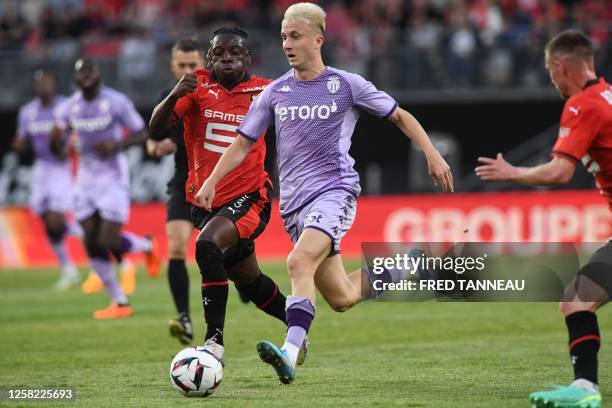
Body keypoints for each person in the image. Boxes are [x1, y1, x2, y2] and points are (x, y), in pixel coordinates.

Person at [196, 3, 453, 384]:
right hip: (295, 207)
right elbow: (242, 143)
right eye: (284, 36)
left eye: (295, 36)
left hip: (335, 192)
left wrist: (432, 154)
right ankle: (408, 268)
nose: (288, 43)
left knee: (298, 263)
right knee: (342, 297)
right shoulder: (275, 92)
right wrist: (212, 180)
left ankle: (289, 352)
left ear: (319, 39)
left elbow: (399, 115)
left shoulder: (346, 84)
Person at [150, 27, 307, 363]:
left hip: (251, 197)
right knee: (250, 282)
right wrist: (175, 93)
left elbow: (304, 120)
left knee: (206, 246)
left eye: (235, 52)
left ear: (248, 56)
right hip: (204, 202)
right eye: (219, 53)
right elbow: (156, 128)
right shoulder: (196, 87)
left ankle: (213, 343)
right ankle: (298, 329)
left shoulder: (267, 90)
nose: (228, 58)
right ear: (210, 58)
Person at [475, 30, 607, 408]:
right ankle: (584, 389)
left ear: (561, 66)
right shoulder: (608, 96)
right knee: (577, 299)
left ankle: (585, 389)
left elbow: (558, 173)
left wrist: (512, 172)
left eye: (551, 73)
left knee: (577, 300)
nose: (553, 81)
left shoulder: (583, 104)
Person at [52, 58, 161, 319]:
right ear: (76, 79)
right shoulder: (69, 107)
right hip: (85, 180)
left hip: (113, 177)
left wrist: (116, 145)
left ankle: (146, 245)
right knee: (90, 241)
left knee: (108, 240)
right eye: (81, 73)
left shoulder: (116, 102)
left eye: (90, 70)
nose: (86, 76)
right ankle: (120, 302)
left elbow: (142, 133)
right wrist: (59, 142)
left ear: (99, 74)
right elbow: (57, 143)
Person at [147, 37, 204, 344]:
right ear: (172, 65)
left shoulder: (215, 93)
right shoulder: (167, 97)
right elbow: (152, 137)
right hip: (184, 178)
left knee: (230, 256)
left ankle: (249, 286)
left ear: (203, 64)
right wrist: (156, 147)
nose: (187, 71)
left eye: (192, 65)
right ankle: (184, 318)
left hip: (218, 179)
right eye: (181, 65)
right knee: (177, 247)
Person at [13, 70, 81, 290]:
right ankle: (68, 269)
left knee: (56, 220)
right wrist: (19, 144)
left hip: (61, 167)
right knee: (46, 221)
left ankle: (91, 235)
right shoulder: (27, 112)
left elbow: (76, 133)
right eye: (40, 82)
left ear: (54, 83)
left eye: (47, 81)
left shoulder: (65, 106)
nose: (44, 86)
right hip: (41, 167)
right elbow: (22, 139)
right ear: (36, 86)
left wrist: (68, 147)